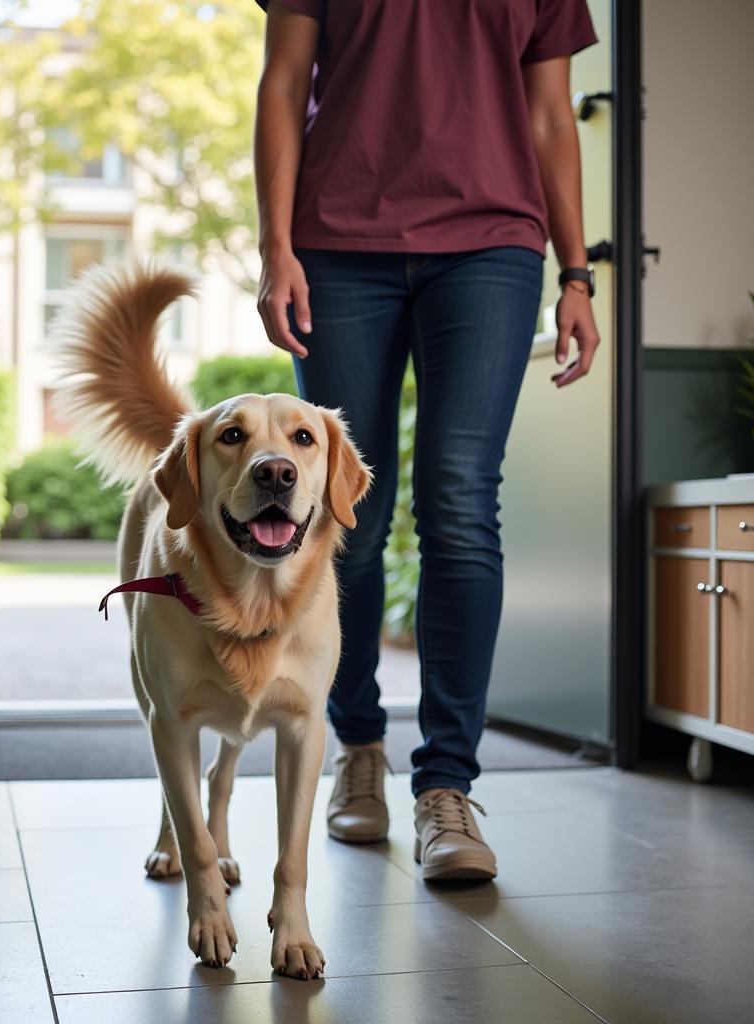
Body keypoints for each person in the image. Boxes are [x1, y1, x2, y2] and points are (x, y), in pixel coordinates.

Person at [252, 0, 600, 882]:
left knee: (458, 499)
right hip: (336, 241)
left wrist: (576, 272)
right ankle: (358, 745)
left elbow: (552, 114)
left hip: (492, 246)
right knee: (344, 516)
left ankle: (446, 785)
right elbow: (284, 82)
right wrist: (274, 247)